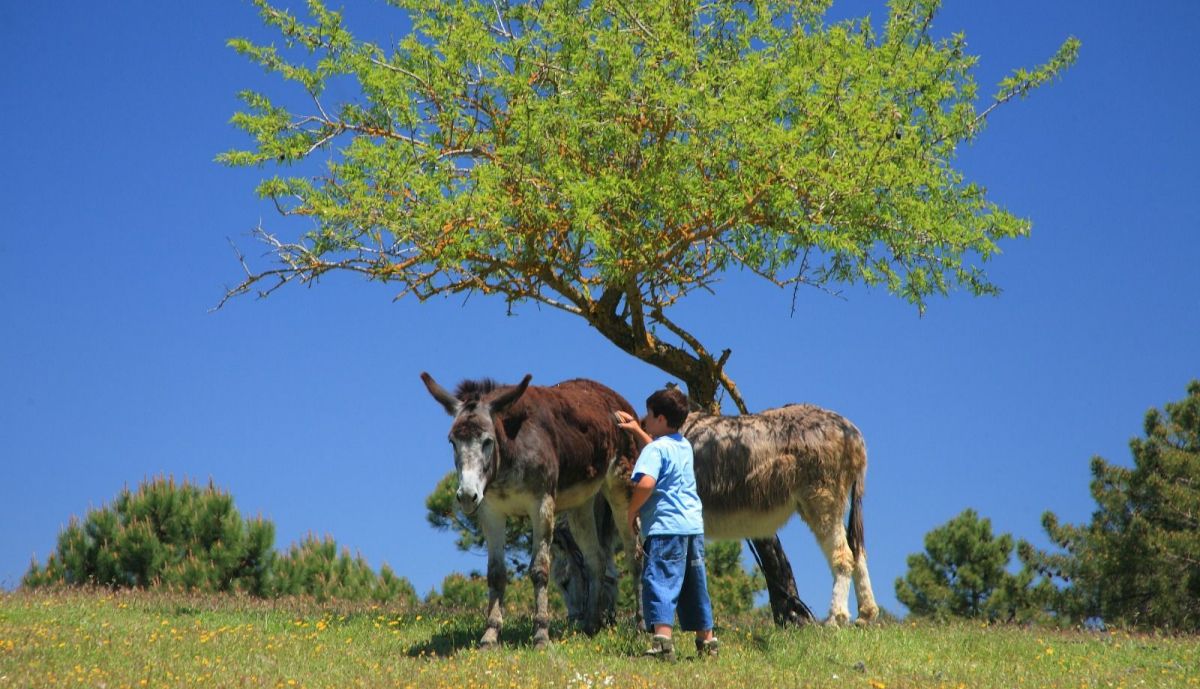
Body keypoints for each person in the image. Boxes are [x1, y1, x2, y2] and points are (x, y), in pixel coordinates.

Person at [615, 387, 718, 662]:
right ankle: (707, 643)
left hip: (664, 528)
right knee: (694, 586)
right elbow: (659, 448)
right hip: (692, 528)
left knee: (660, 581)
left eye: (648, 415)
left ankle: (662, 646)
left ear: (660, 419)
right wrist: (637, 430)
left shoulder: (655, 451)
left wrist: (631, 511)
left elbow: (646, 483)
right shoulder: (682, 445)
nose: (645, 419)